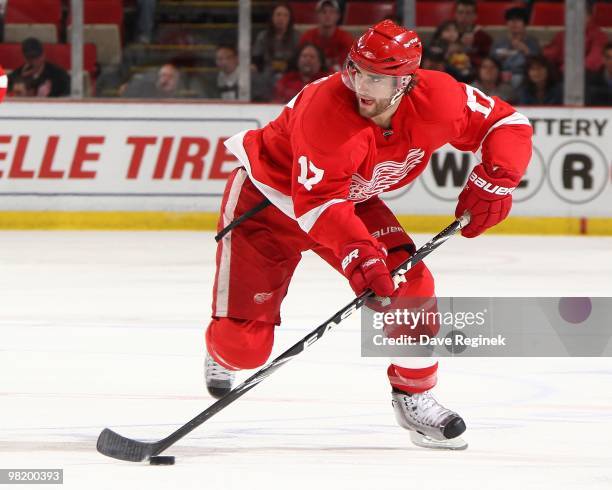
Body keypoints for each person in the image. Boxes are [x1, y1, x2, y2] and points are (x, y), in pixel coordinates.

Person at [203, 20, 532, 449]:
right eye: (355, 69)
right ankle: (220, 351)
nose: (360, 83)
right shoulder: (326, 111)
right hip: (266, 203)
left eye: (375, 77)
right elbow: (317, 203)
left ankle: (415, 396)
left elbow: (507, 123)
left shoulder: (440, 97)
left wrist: (497, 180)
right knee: (243, 348)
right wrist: (361, 254)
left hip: (350, 200)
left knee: (411, 285)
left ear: (406, 82)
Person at [543, 3, 608, 74]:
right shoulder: (562, 35)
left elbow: (595, 58)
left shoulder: (599, 36)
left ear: (588, 17)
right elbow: (552, 53)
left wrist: (568, 69)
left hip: (587, 76)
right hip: (563, 74)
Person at [490, 7, 540, 89]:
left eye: (518, 20)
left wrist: (526, 50)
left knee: (517, 79)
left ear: (525, 24)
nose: (514, 23)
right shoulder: (499, 42)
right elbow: (490, 61)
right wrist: (499, 58)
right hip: (500, 76)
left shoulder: (532, 42)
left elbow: (539, 63)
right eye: (511, 20)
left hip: (524, 76)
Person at [299, 0, 353, 72]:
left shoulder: (346, 39)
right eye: (323, 12)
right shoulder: (307, 37)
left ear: (338, 16)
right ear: (317, 15)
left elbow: (348, 67)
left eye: (331, 12)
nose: (327, 15)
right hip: (312, 77)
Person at [252, 3, 299, 82]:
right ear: (272, 17)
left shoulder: (297, 37)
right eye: (278, 15)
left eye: (285, 15)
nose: (281, 18)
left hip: (290, 77)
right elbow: (256, 59)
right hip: (266, 76)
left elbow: (298, 61)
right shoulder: (263, 36)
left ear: (290, 19)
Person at [454, 0, 493, 69]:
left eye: (468, 13)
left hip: (474, 72)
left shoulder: (483, 37)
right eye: (460, 12)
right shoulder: (446, 32)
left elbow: (488, 61)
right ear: (455, 14)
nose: (464, 16)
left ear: (475, 16)